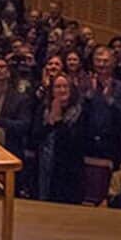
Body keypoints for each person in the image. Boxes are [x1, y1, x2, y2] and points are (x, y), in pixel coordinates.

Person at [32, 73, 85, 204]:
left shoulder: (80, 111)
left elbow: (75, 143)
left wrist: (59, 120)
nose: (62, 90)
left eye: (65, 86)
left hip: (69, 169)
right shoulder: (43, 109)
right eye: (57, 87)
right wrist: (50, 123)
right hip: (44, 165)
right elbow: (35, 136)